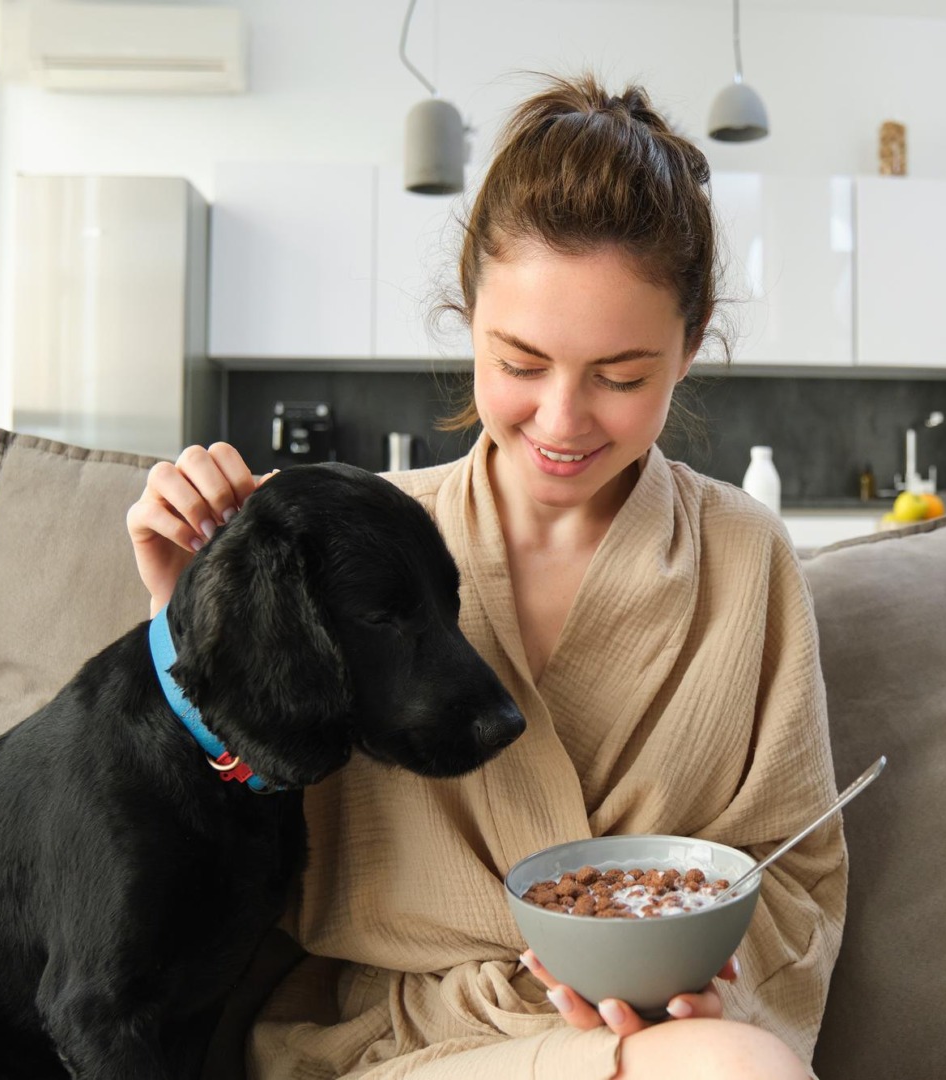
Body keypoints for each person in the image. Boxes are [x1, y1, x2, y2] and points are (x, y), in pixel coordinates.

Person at [126, 72, 846, 1080]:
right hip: (405, 1043)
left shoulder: (744, 558)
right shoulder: (352, 547)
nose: (561, 420)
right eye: (520, 362)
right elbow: (228, 842)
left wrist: (709, 974)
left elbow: (793, 865)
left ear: (692, 341)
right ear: (467, 318)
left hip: (659, 1037)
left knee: (734, 1064)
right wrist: (185, 623)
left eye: (622, 375)